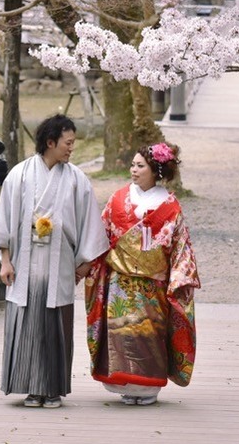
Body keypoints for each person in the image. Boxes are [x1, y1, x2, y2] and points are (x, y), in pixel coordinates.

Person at [0, 114, 107, 409]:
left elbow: (90, 224)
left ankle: (52, 389)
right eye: (67, 143)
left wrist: (84, 263)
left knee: (55, 326)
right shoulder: (18, 175)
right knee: (27, 323)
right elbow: (4, 221)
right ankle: (30, 387)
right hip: (24, 263)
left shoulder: (76, 179)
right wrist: (5, 261)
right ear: (50, 142)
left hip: (60, 264)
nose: (71, 148)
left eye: (73, 143)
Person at [85, 142, 200, 405]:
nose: (133, 170)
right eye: (133, 165)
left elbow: (181, 246)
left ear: (155, 170)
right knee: (121, 332)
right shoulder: (118, 199)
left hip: (153, 283)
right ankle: (125, 383)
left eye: (140, 166)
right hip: (120, 281)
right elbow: (102, 235)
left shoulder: (170, 206)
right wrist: (87, 262)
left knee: (149, 334)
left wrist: (180, 277)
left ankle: (148, 387)